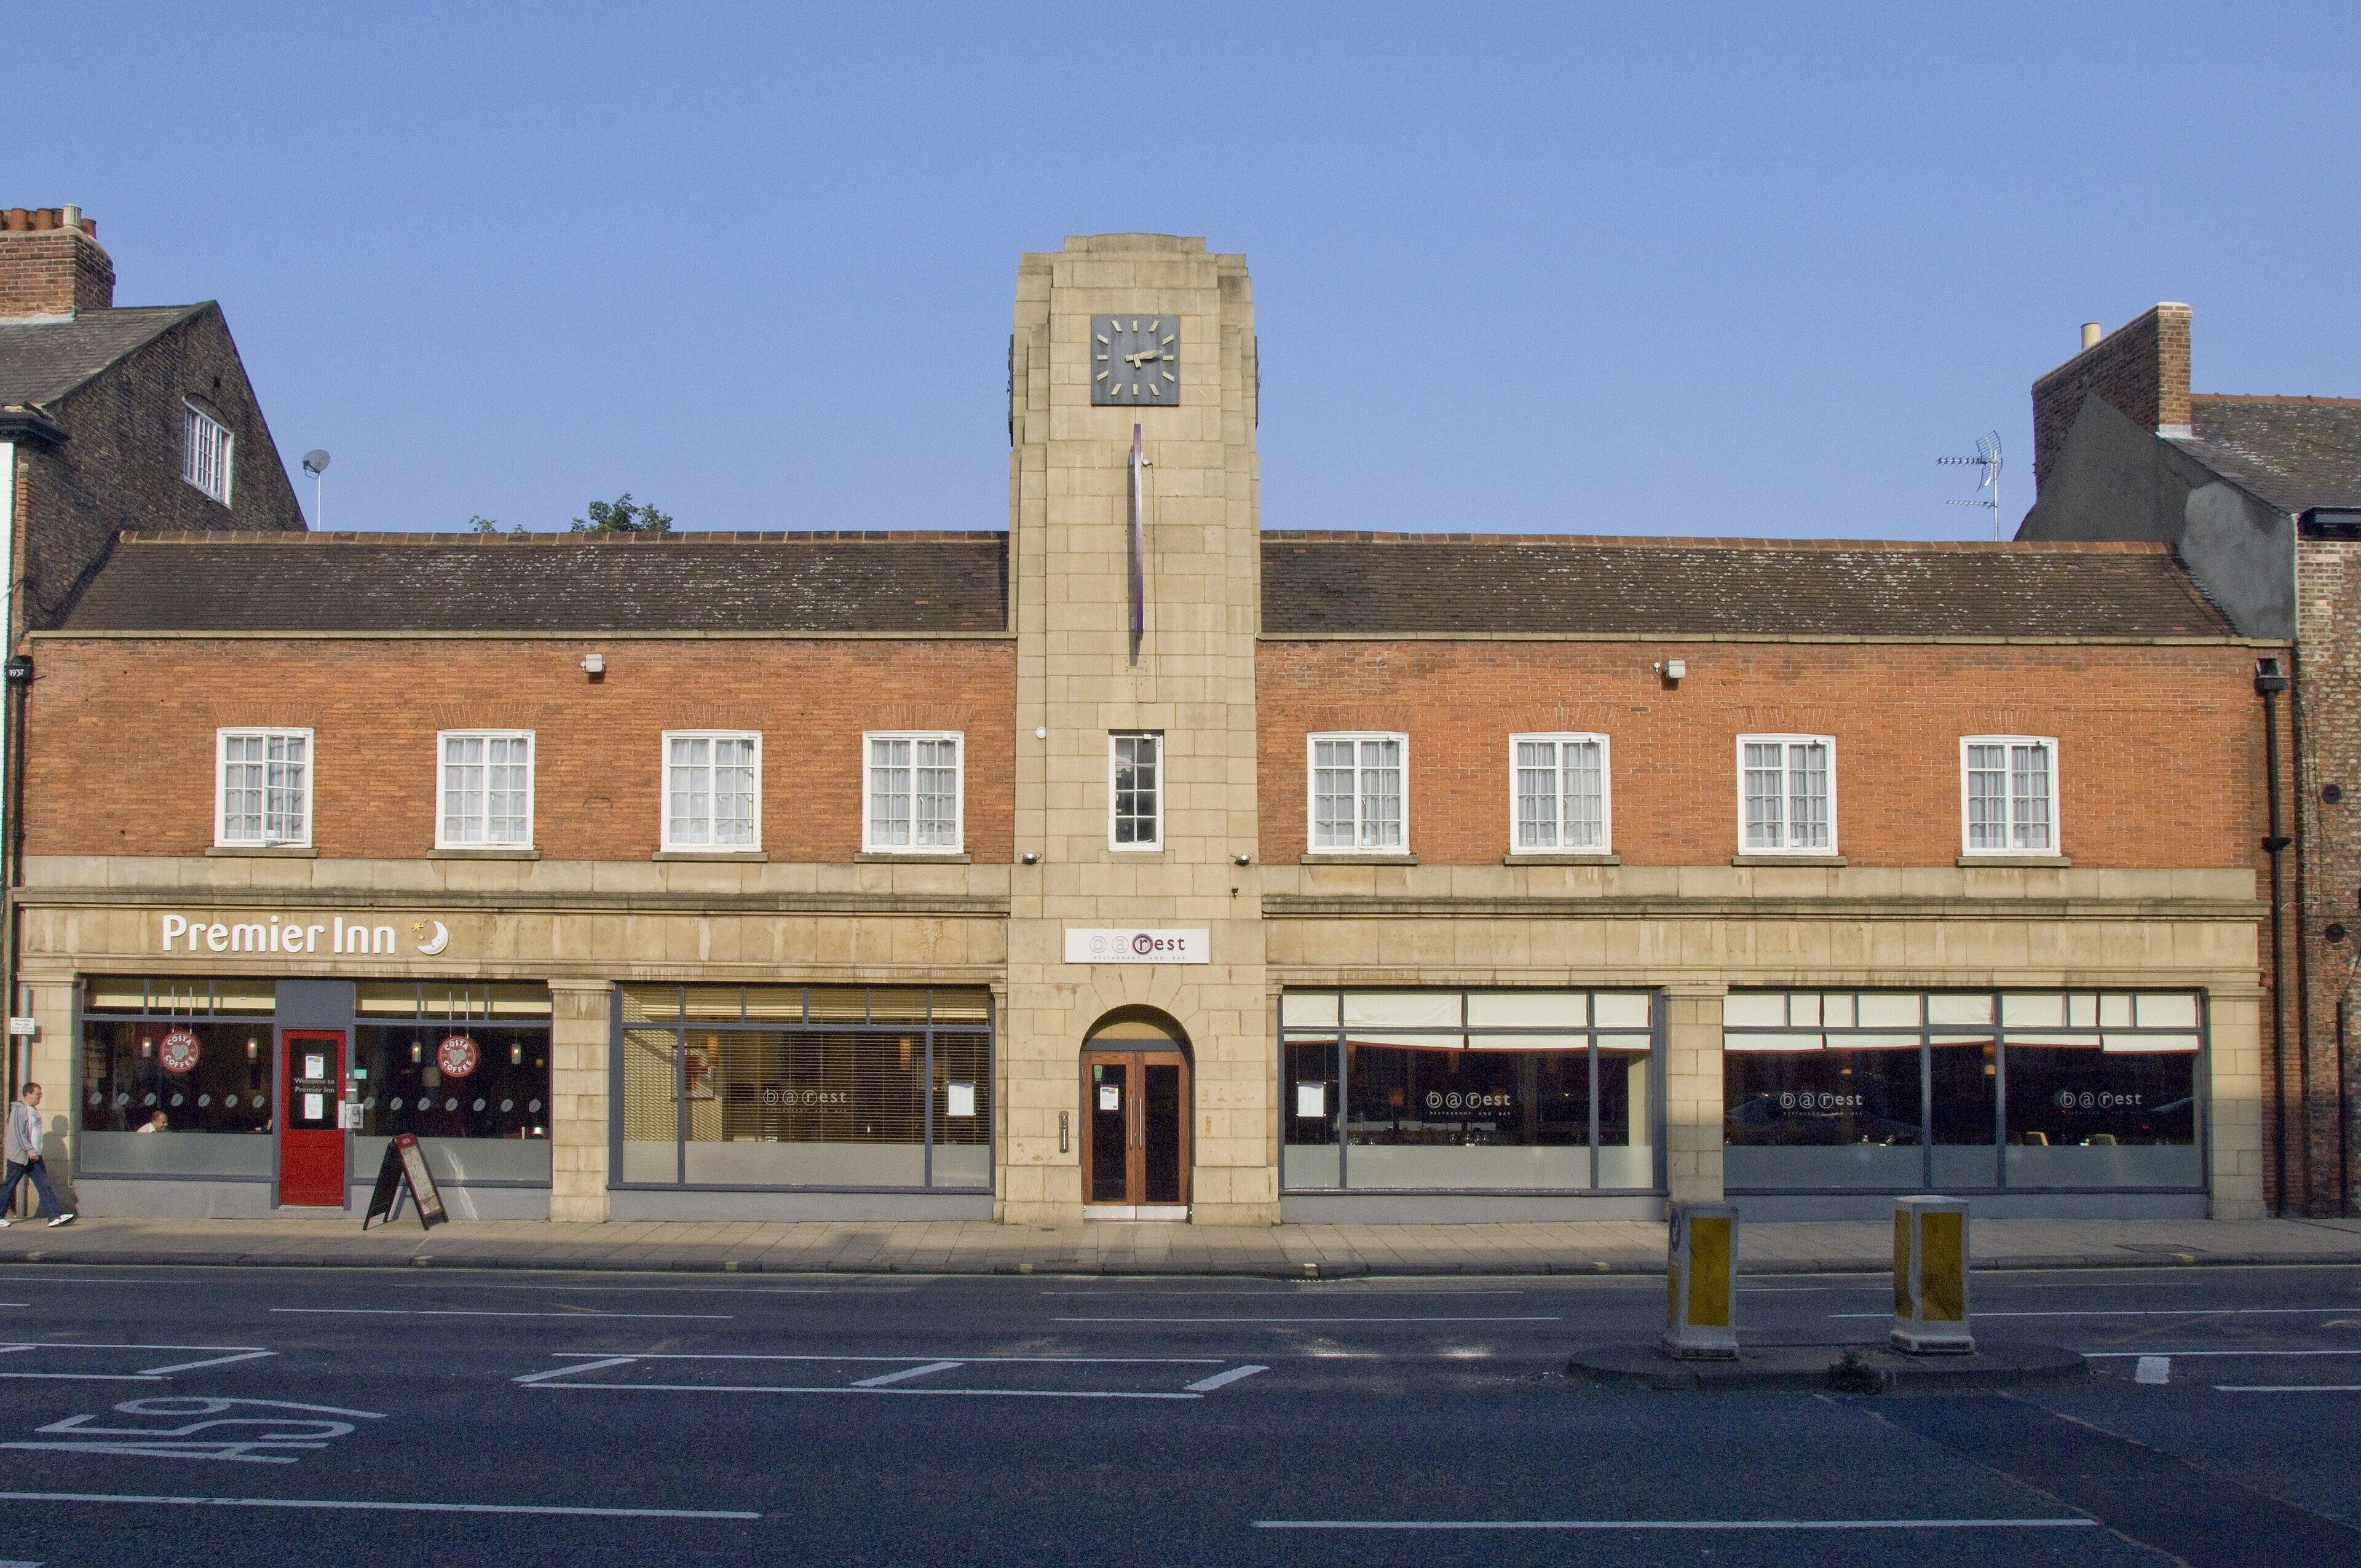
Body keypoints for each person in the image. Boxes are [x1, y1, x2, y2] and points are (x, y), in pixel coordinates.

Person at [0, 1082, 73, 1227]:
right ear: (28, 1094)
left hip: (34, 1157)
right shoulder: (19, 1110)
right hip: (20, 1157)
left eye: (41, 1094)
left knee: (44, 1185)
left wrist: (36, 1153)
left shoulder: (34, 1111)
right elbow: (19, 1134)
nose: (40, 1097)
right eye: (38, 1094)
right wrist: (30, 1151)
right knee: (9, 1185)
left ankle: (54, 1216)